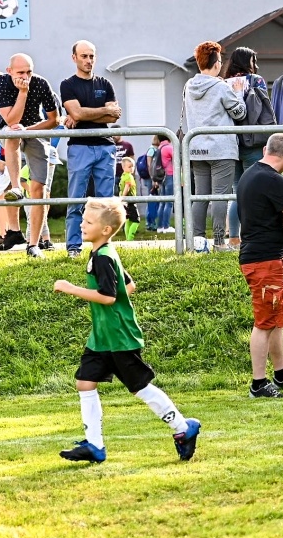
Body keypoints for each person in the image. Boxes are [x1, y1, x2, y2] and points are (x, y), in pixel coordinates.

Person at [51, 197, 200, 463]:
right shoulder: (103, 252)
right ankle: (95, 446)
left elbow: (109, 296)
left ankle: (183, 427)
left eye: (88, 222)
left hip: (119, 337)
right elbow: (128, 285)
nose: (82, 225)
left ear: (105, 230)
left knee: (139, 387)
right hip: (102, 337)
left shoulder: (104, 257)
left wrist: (71, 288)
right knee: (85, 382)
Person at [234, 132, 283, 398]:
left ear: (266, 149)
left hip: (260, 257)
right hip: (264, 259)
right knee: (265, 322)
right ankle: (258, 383)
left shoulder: (249, 174)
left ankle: (281, 374)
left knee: (277, 319)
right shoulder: (275, 180)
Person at [0, 53, 61, 256]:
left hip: (35, 130)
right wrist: (22, 93)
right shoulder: (1, 84)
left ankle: (34, 244)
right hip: (9, 129)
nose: (26, 77)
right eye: (20, 72)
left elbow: (54, 120)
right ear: (9, 71)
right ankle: (15, 187)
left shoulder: (40, 83)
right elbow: (11, 119)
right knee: (13, 133)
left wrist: (29, 130)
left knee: (39, 189)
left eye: (29, 71)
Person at [59, 40, 121, 257]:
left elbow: (114, 115)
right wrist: (102, 111)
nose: (88, 60)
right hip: (80, 147)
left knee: (106, 203)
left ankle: (103, 248)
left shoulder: (105, 84)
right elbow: (76, 114)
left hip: (105, 146)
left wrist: (87, 113)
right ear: (74, 57)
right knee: (76, 200)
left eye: (91, 56)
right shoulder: (68, 85)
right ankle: (73, 247)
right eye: (84, 56)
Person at [183, 41, 247, 252]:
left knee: (200, 196)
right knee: (220, 195)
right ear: (217, 63)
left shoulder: (189, 86)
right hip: (221, 148)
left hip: (196, 148)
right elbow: (239, 113)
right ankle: (219, 242)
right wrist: (238, 92)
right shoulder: (221, 87)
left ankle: (197, 241)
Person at [223, 46, 274, 244]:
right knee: (252, 191)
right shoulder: (256, 81)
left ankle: (234, 237)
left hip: (230, 142)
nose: (256, 65)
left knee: (236, 192)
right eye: (253, 61)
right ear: (248, 62)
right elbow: (265, 108)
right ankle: (252, 235)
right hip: (253, 141)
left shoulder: (223, 84)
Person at [149, 134, 175, 234]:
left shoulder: (160, 148)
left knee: (163, 202)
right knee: (169, 202)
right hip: (170, 175)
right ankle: (166, 226)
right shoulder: (169, 147)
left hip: (161, 177)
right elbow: (177, 160)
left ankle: (160, 227)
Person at [117, 155, 141, 240]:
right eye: (129, 166)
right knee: (136, 220)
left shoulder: (123, 176)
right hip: (130, 201)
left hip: (125, 202)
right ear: (123, 167)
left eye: (133, 166)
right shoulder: (129, 176)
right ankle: (130, 238)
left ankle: (127, 238)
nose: (132, 168)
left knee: (128, 220)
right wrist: (123, 197)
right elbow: (127, 186)